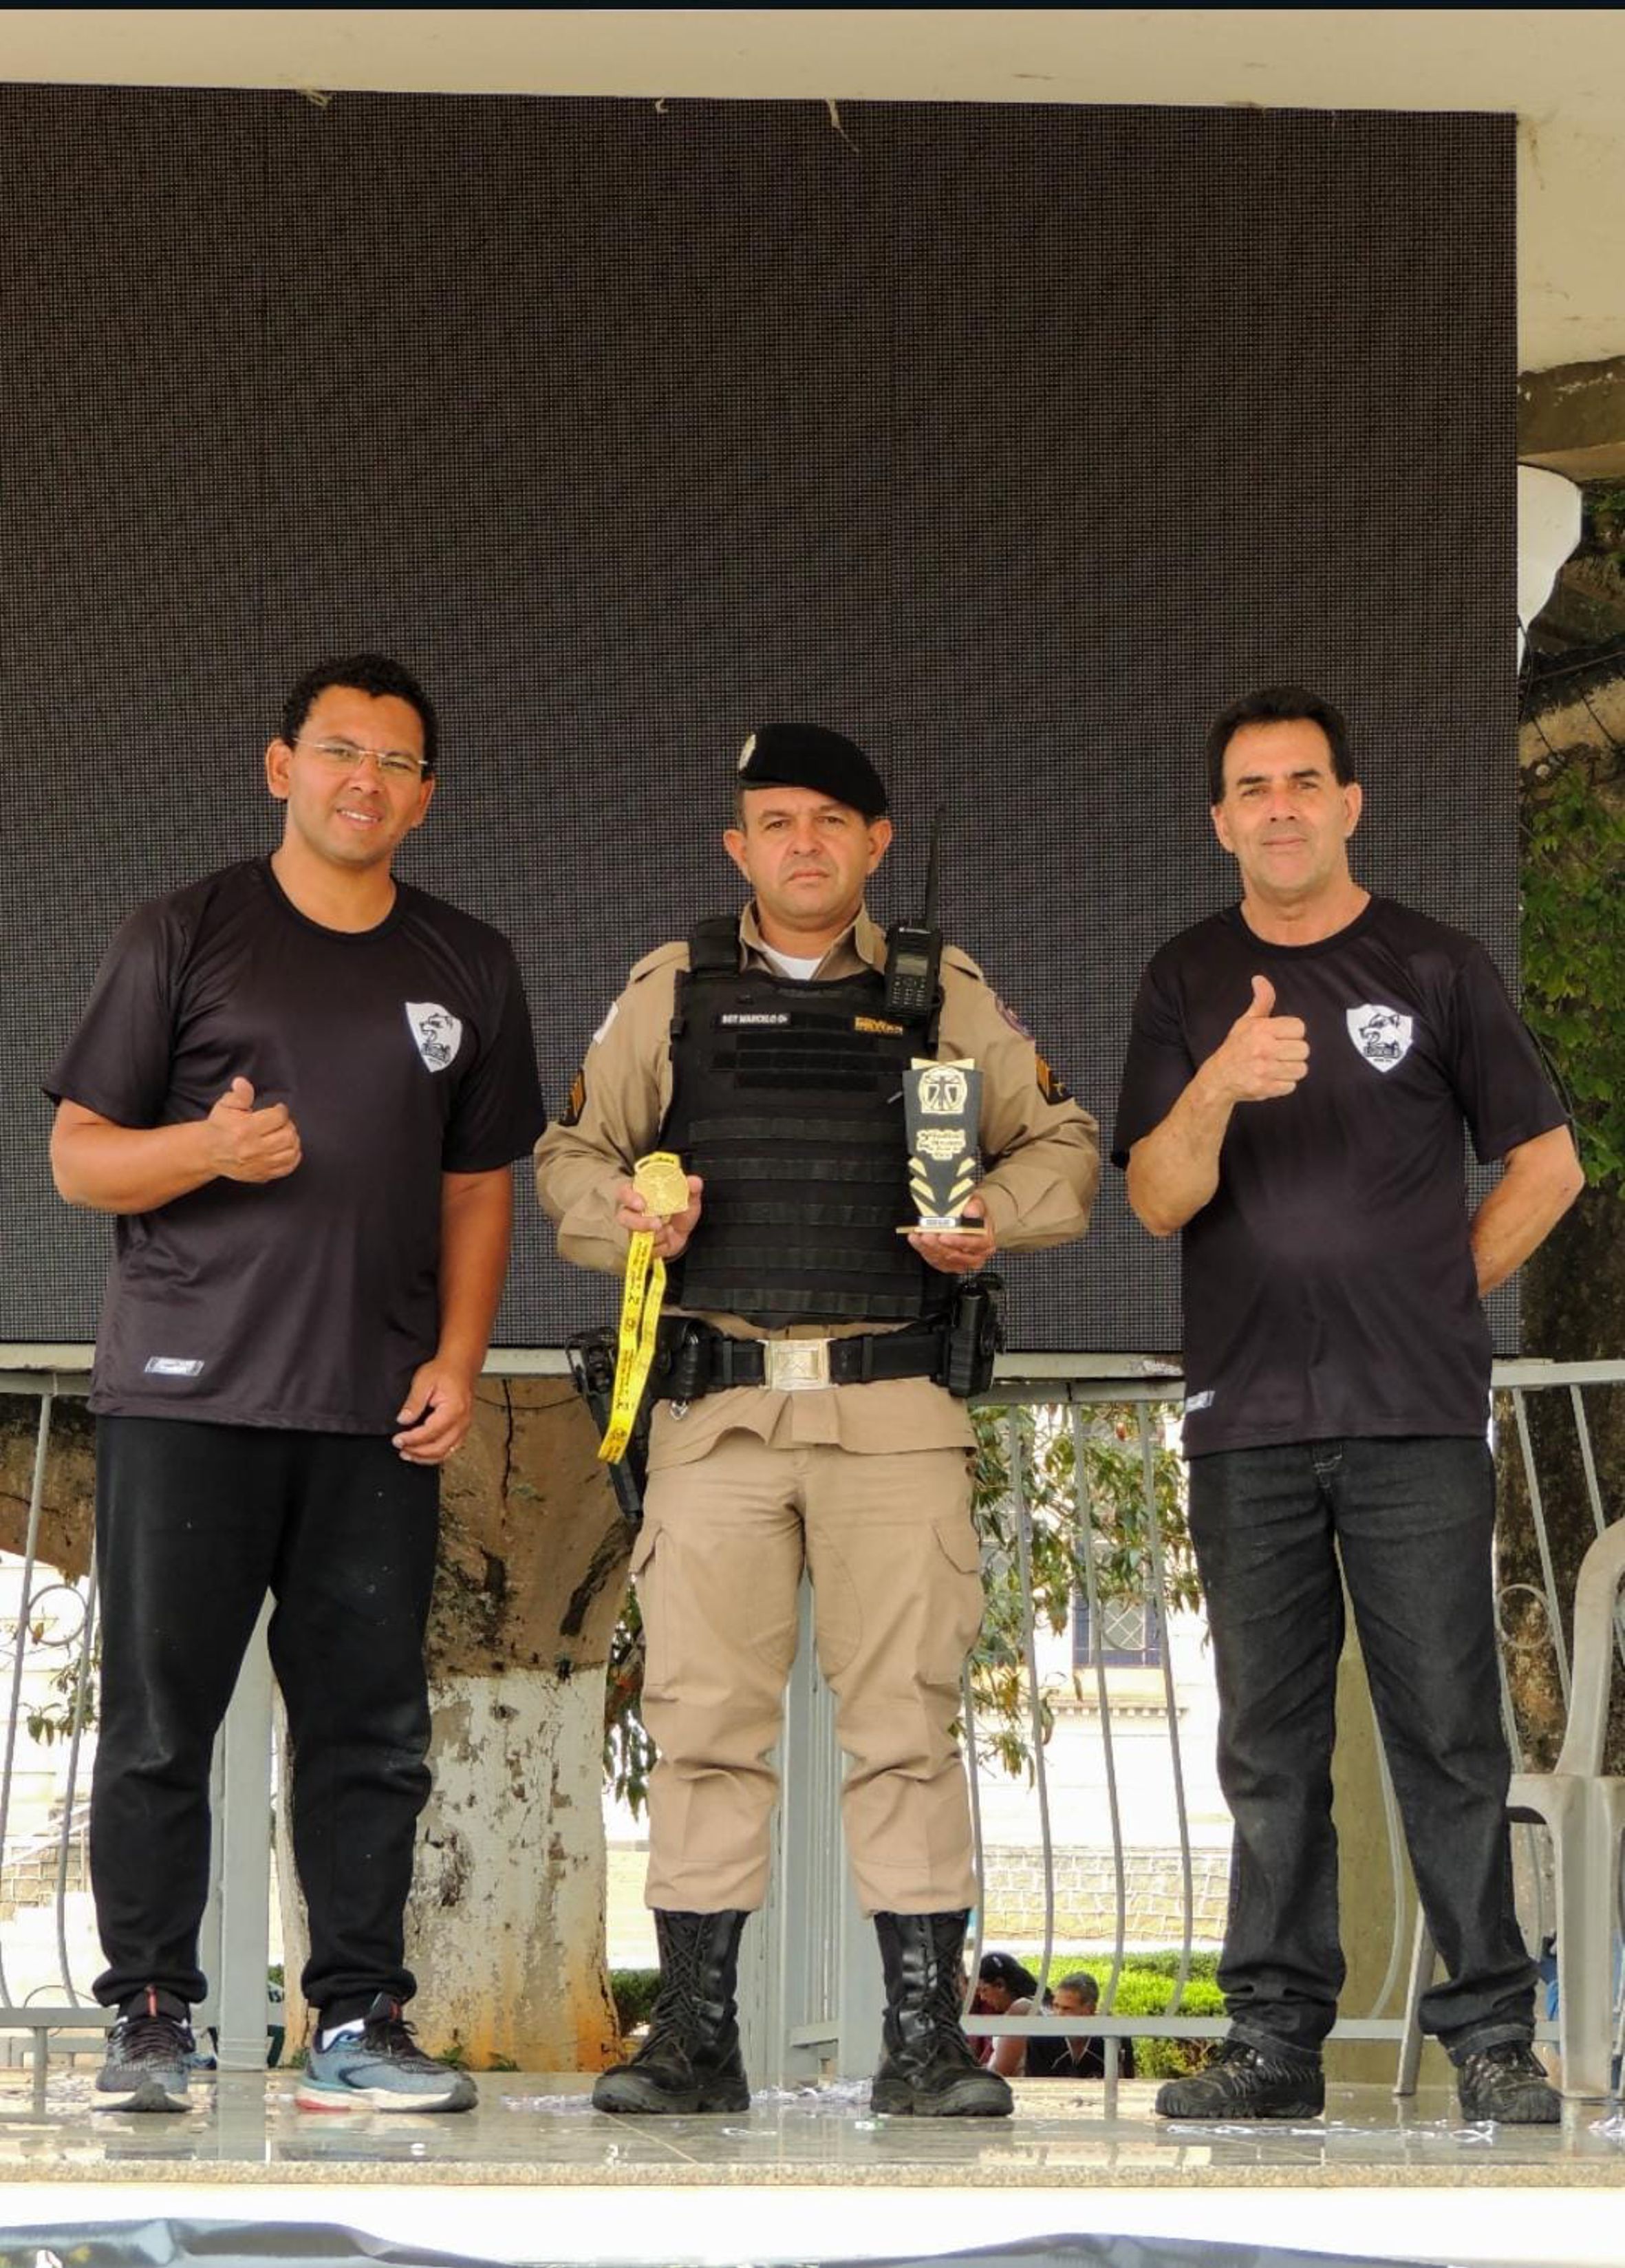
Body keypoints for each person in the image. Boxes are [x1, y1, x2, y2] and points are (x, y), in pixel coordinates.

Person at [537, 721, 1099, 2118]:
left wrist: (987, 1217)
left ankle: (921, 2045)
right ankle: (695, 2041)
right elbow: (569, 1157)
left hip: (890, 1403)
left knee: (904, 1724)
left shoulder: (938, 990)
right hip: (717, 1407)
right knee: (702, 1727)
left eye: (830, 821)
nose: (803, 844)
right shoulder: (673, 988)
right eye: (776, 822)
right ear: (737, 845)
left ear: (874, 842)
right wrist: (634, 1214)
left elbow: (1064, 1148)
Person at [46, 655, 546, 2115]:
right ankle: (151, 2015)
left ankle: (358, 2019)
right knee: (159, 1721)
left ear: (425, 796)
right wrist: (207, 1148)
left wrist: (457, 1359)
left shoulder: (470, 962)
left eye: (394, 763)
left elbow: (478, 1188)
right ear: (281, 766)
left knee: (370, 1731)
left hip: (372, 1409)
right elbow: (79, 1157)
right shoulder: (182, 932)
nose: (362, 782)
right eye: (338, 752)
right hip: (188, 1392)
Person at [1112, 684, 1584, 2125]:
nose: (1279, 808)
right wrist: (1217, 1083)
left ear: (1348, 804)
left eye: (1303, 782)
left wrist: (1437, 1292)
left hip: (1411, 1418)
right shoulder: (1185, 978)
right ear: (1218, 822)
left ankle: (1491, 2037)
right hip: (1243, 1418)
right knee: (1266, 1743)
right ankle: (1272, 2044)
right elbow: (1153, 1197)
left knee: (1446, 1727)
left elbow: (1549, 1164)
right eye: (1251, 788)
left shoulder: (1434, 964)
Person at [1022, 1972, 1137, 2080]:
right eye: (1056, 2006)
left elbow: (1127, 2085)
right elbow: (1034, 2086)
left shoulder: (1114, 2037)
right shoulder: (1039, 2039)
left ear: (1090, 2010)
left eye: (1067, 2009)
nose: (1058, 2014)